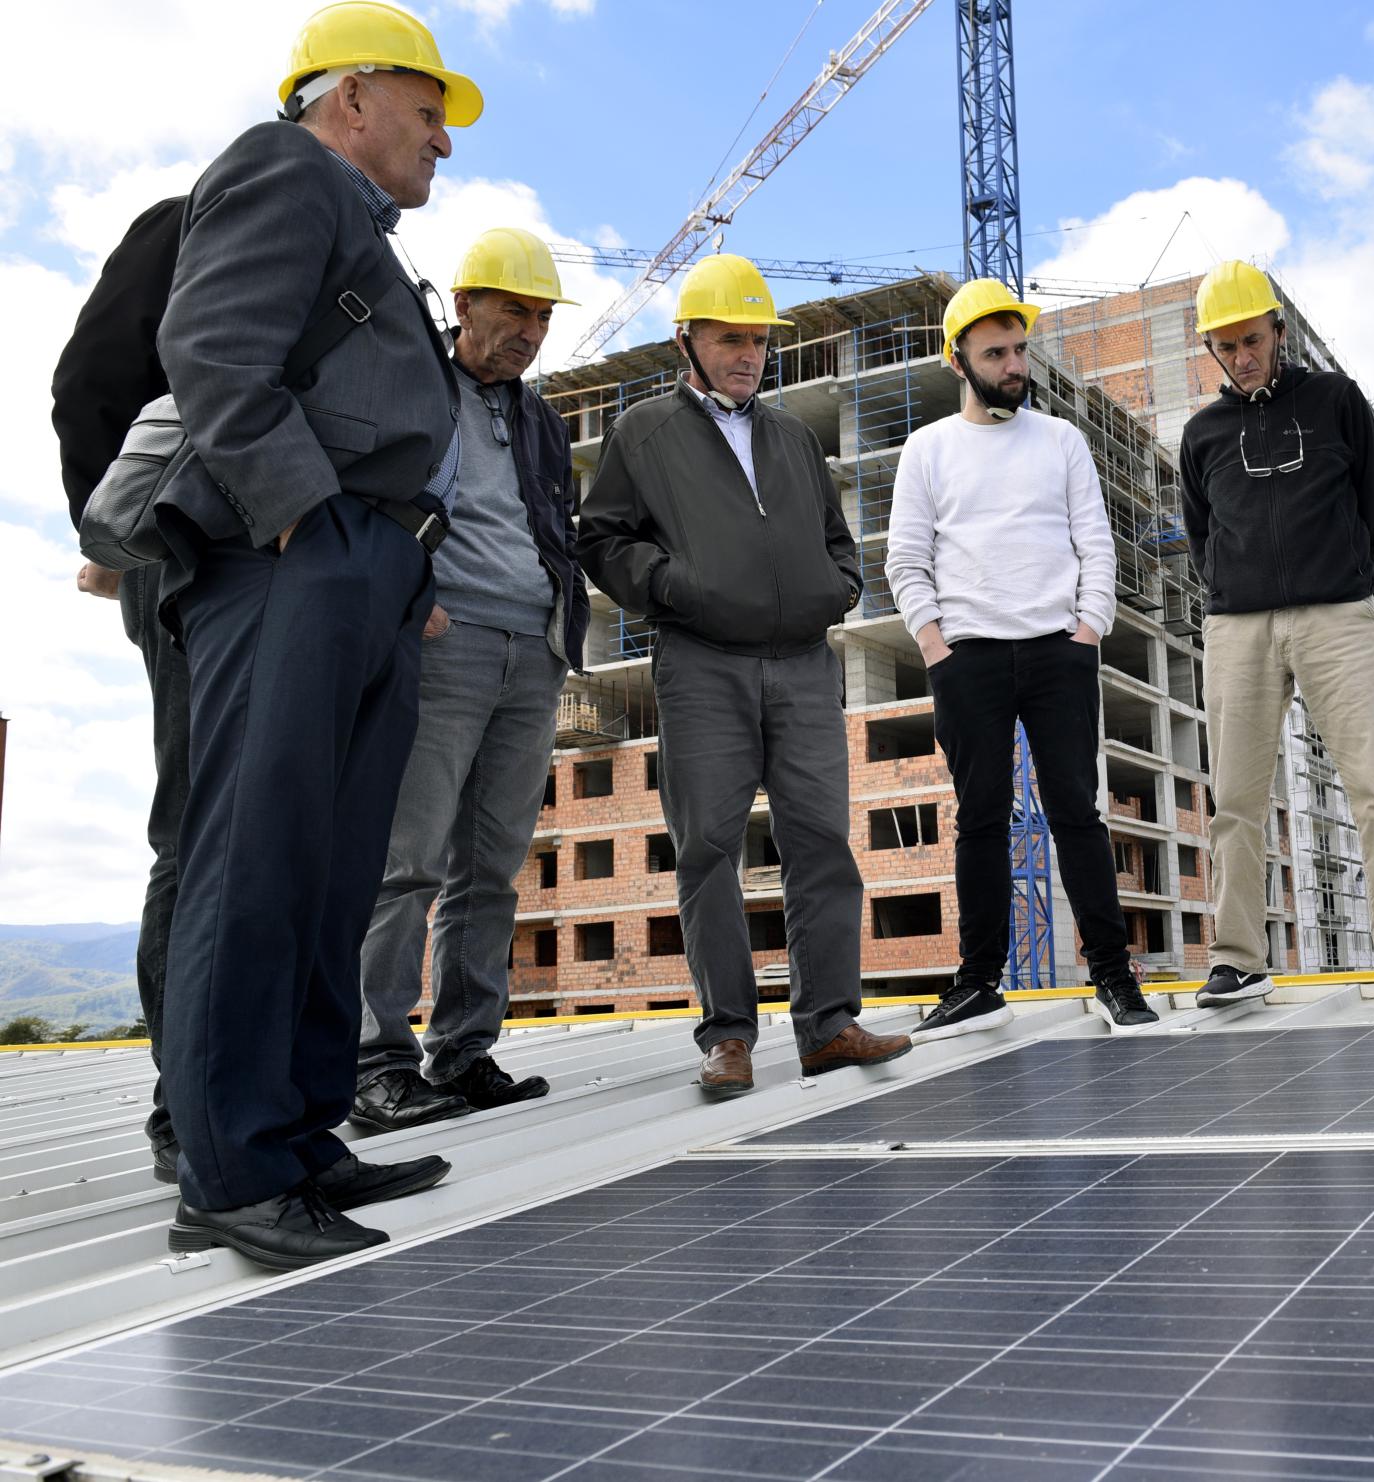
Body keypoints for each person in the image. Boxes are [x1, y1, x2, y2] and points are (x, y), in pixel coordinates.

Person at [153, 0, 484, 1269]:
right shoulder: (280, 168)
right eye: (427, 112)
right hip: (299, 553)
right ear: (350, 99)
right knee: (256, 862)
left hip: (369, 564)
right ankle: (231, 1170)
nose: (441, 144)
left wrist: (395, 566)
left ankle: (298, 1137)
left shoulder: (358, 223)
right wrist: (306, 523)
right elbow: (212, 352)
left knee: (331, 869)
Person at [578, 254, 912, 1099]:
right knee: (708, 851)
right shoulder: (644, 431)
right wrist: (675, 589)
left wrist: (837, 588)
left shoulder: (793, 435)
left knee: (821, 845)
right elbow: (604, 539)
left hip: (801, 666)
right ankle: (728, 1035)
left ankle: (829, 1025)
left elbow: (839, 541)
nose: (749, 355)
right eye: (731, 338)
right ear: (686, 339)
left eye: (760, 341)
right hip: (701, 666)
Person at [353, 228, 588, 1131]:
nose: (529, 331)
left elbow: (549, 526)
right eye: (513, 311)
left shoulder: (540, 416)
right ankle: (375, 1062)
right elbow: (372, 491)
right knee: (406, 862)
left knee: (490, 870)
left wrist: (560, 630)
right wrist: (412, 597)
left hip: (532, 652)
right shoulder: (414, 382)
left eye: (540, 316)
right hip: (442, 646)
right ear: (464, 307)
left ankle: (463, 1054)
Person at [888, 279, 1161, 1039]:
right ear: (958, 360)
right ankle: (978, 982)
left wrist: (1089, 629)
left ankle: (1112, 975)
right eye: (996, 353)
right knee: (979, 821)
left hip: (1057, 652)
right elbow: (905, 559)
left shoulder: (1062, 441)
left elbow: (1095, 544)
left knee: (1076, 814)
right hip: (967, 655)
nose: (1014, 365)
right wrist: (935, 646)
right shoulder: (929, 449)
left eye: (1019, 350)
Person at [1178, 261, 1374, 1008]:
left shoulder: (1334, 401)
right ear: (1211, 347)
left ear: (1278, 330)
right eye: (1227, 345)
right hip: (1239, 628)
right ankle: (1237, 960)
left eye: (1252, 339)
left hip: (1338, 619)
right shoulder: (1200, 434)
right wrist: (1235, 592)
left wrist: (1350, 582)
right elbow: (1201, 534)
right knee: (1234, 800)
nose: (1242, 355)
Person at [52, 195, 188, 1183]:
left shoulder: (350, 247)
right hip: (191, 567)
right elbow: (90, 382)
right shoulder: (198, 219)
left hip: (300, 582)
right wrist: (111, 531)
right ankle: (188, 1101)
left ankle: (262, 1095)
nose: (440, 144)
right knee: (201, 831)